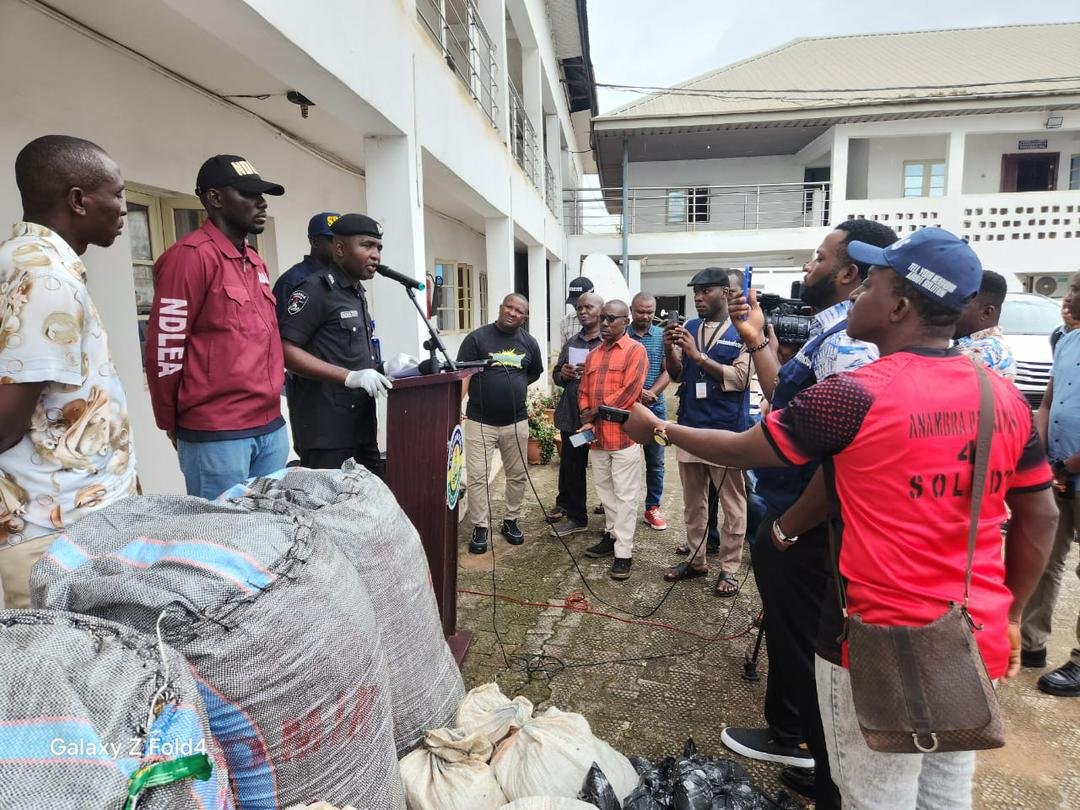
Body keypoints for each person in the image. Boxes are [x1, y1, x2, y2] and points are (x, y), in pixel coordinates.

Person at [619, 226, 1057, 809]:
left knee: (870, 794)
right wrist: (1012, 614)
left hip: (871, 640)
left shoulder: (855, 394)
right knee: (945, 794)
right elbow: (1041, 515)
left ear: (899, 306)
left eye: (871, 284)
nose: (858, 295)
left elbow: (747, 447)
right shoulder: (999, 396)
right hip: (969, 634)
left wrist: (658, 429)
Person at [720, 219, 898, 807]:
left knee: (809, 649)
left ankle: (811, 755)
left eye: (818, 258)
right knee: (793, 636)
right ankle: (800, 743)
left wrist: (786, 528)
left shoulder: (852, 344)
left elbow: (838, 457)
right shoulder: (829, 332)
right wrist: (755, 339)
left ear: (848, 272)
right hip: (787, 507)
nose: (807, 267)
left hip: (806, 523)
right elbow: (789, 405)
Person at [0, 135, 137, 608]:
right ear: (78, 200)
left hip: (70, 520)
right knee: (74, 675)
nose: (124, 208)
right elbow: (4, 420)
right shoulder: (47, 280)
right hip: (59, 531)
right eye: (116, 193)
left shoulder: (29, 262)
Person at [146, 154, 289, 499]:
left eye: (262, 195)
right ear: (214, 198)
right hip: (218, 432)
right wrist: (171, 422)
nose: (261, 203)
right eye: (248, 194)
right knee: (222, 538)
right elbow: (165, 350)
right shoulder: (190, 257)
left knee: (271, 536)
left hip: (270, 425)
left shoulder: (254, 260)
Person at [277, 214, 392, 475]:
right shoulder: (315, 290)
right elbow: (286, 350)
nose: (375, 255)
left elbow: (346, 352)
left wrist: (383, 367)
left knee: (370, 505)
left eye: (379, 247)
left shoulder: (355, 293)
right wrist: (349, 376)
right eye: (367, 245)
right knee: (329, 513)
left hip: (360, 426)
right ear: (339, 249)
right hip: (326, 433)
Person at [663, 267, 749, 596]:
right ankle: (696, 560)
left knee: (732, 504)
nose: (698, 297)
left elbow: (739, 379)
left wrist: (697, 355)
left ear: (725, 293)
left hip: (725, 430)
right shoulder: (690, 327)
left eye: (705, 291)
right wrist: (673, 350)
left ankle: (729, 569)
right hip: (690, 425)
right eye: (695, 291)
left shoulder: (744, 330)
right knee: (692, 503)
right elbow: (676, 376)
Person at [1021, 270, 1080, 696]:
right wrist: (1044, 457)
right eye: (1073, 288)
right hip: (1058, 469)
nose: (1070, 297)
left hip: (1072, 467)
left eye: (1079, 291)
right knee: (1045, 556)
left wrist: (1069, 465)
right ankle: (1030, 641)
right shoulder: (1063, 338)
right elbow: (1048, 398)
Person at [458, 293, 543, 554]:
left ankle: (510, 521)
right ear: (500, 307)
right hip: (480, 421)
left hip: (515, 422)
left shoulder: (529, 343)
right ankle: (480, 526)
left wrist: (510, 390)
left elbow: (533, 373)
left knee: (517, 474)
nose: (513, 313)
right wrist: (454, 408)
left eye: (519, 311)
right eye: (509, 307)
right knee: (478, 477)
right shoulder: (477, 339)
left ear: (525, 317)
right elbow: (463, 375)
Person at [575, 300, 649, 580]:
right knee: (605, 493)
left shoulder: (635, 351)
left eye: (611, 319)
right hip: (597, 439)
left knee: (626, 496)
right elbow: (583, 390)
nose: (604, 324)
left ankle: (624, 553)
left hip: (623, 437)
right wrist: (585, 415)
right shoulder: (593, 354)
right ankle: (611, 535)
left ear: (626, 321)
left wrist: (594, 412)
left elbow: (629, 393)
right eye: (602, 318)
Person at [547, 292, 603, 536]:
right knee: (573, 465)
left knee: (608, 469)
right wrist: (564, 374)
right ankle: (576, 516)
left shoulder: (608, 343)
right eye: (579, 308)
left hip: (601, 421)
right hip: (573, 420)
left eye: (588, 307)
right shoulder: (572, 343)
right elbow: (557, 375)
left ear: (601, 311)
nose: (582, 312)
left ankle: (613, 524)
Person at [627, 292, 671, 530]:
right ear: (632, 310)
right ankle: (618, 503)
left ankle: (652, 507)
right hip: (626, 409)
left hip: (656, 409)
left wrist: (652, 392)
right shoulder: (622, 335)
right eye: (640, 311)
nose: (645, 316)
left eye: (649, 312)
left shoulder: (662, 336)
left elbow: (670, 370)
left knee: (655, 461)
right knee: (623, 459)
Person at [273, 212, 340, 322]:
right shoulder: (293, 281)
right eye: (332, 240)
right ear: (314, 242)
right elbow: (283, 331)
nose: (339, 245)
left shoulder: (342, 277)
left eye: (342, 240)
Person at [953, 269, 1015, 380]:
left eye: (960, 304)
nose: (951, 310)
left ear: (986, 312)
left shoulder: (977, 353)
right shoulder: (996, 346)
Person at [560, 275, 594, 344]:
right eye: (574, 303)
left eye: (581, 304)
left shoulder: (604, 320)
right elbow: (565, 350)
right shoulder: (566, 321)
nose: (577, 306)